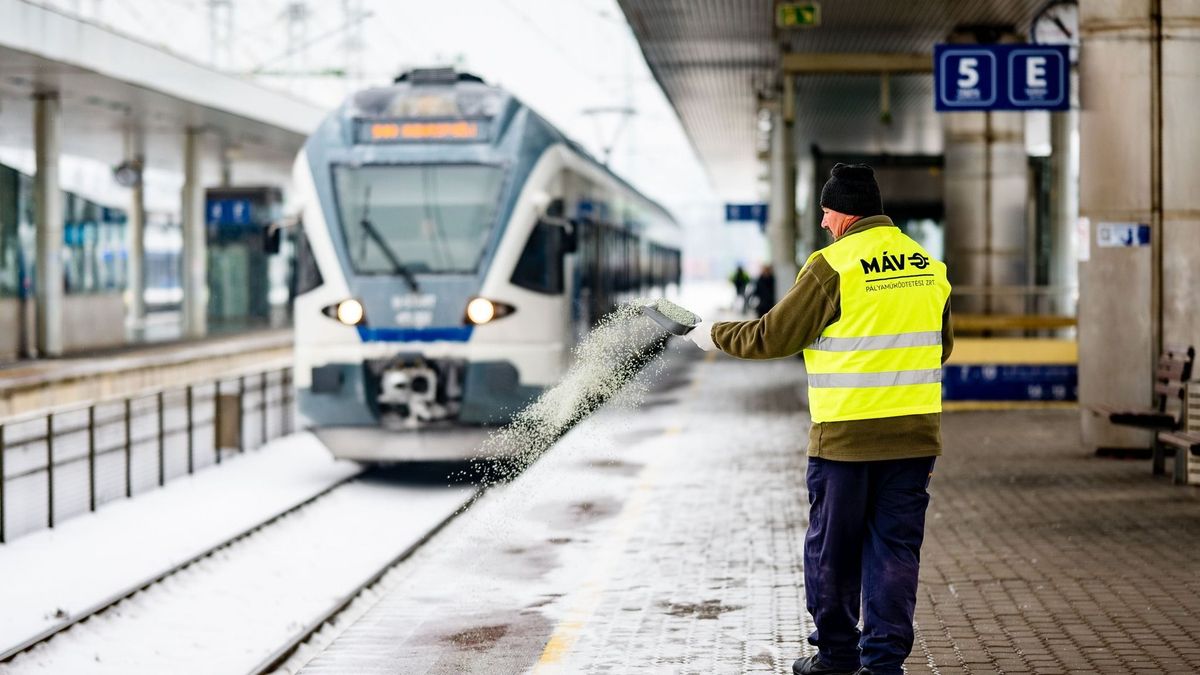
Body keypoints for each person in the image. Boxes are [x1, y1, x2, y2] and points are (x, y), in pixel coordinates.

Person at [686, 163, 953, 675]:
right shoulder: (929, 267)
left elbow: (773, 337)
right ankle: (883, 666)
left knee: (832, 551)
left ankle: (835, 658)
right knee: (895, 551)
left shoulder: (832, 265)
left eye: (828, 213)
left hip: (846, 441)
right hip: (916, 438)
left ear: (845, 213)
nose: (825, 223)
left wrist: (711, 334)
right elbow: (941, 348)